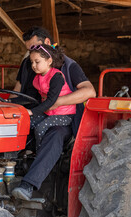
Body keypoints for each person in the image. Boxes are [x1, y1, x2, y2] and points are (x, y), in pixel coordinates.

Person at [11, 26, 96, 201]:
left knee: (54, 134)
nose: (30, 54)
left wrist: (56, 103)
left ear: (47, 44)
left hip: (64, 118)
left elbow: (89, 91)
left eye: (34, 47)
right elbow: (17, 91)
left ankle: (28, 185)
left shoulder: (68, 65)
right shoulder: (29, 64)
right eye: (28, 50)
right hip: (38, 111)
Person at [27, 44, 76, 150]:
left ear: (49, 61)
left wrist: (32, 111)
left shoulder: (56, 77)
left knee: (40, 127)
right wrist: (9, 101)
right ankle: (24, 151)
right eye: (32, 62)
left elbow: (51, 101)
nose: (33, 65)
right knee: (27, 122)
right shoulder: (37, 78)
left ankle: (40, 153)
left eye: (37, 61)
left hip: (65, 114)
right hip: (49, 112)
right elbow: (30, 96)